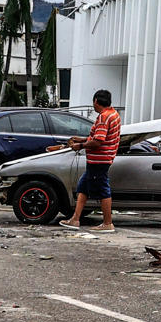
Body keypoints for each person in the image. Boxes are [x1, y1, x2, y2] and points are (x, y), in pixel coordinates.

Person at [60, 89, 121, 232]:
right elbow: (98, 137)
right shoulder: (113, 114)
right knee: (83, 187)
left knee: (103, 189)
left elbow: (98, 141)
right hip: (103, 158)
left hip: (99, 160)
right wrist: (81, 139)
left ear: (96, 101)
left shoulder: (104, 117)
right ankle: (75, 219)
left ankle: (107, 223)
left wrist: (80, 145)